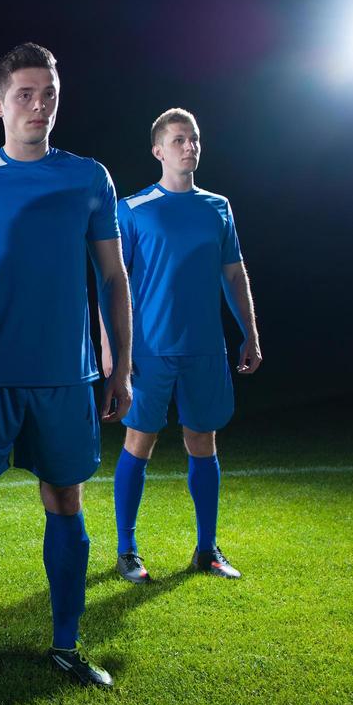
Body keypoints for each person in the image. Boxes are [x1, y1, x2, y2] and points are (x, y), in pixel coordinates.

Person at [0, 42, 133, 696]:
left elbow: (112, 276)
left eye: (48, 94)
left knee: (64, 501)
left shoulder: (88, 177)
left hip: (64, 375)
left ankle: (66, 643)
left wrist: (119, 364)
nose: (38, 105)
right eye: (24, 94)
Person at [107, 108, 262, 584]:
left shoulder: (218, 207)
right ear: (158, 150)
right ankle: (128, 550)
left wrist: (250, 333)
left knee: (203, 442)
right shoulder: (132, 209)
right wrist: (116, 353)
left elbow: (234, 274)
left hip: (204, 348)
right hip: (150, 350)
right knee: (140, 442)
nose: (189, 146)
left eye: (193, 139)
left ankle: (206, 550)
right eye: (179, 140)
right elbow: (115, 282)